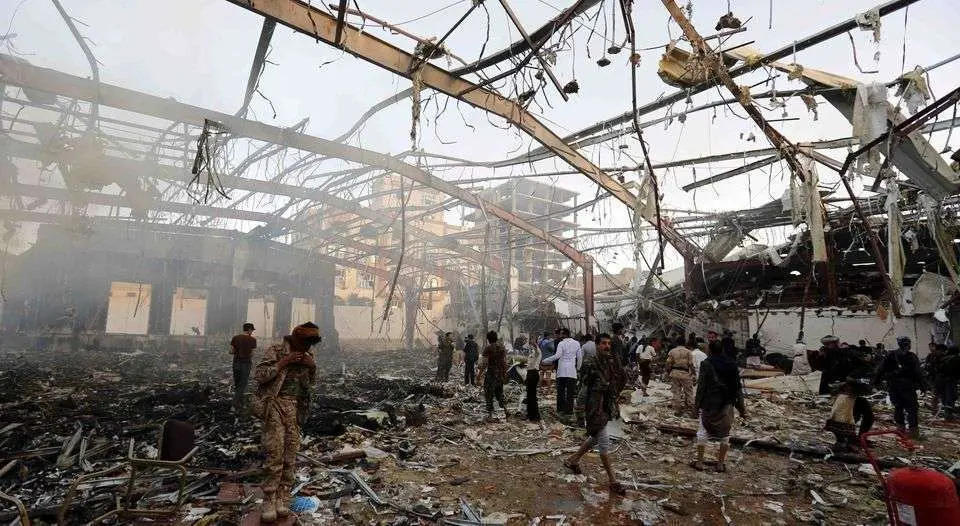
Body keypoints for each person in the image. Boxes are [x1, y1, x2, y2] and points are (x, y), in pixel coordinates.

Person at [254, 322, 320, 522]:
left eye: (311, 343)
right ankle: (269, 498)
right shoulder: (276, 350)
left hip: (295, 409)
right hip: (274, 405)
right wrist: (284, 361)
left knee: (290, 453)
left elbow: (309, 385)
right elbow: (260, 376)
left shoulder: (308, 357)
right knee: (275, 452)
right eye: (305, 342)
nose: (308, 347)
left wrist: (312, 367)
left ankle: (283, 497)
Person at [562, 334, 627, 496]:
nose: (607, 346)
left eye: (608, 344)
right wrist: (580, 412)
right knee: (604, 441)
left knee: (596, 437)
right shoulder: (590, 363)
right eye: (603, 343)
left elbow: (621, 377)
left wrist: (615, 394)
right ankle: (613, 481)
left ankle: (572, 460)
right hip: (594, 407)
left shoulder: (612, 361)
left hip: (606, 405)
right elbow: (584, 388)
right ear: (597, 345)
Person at [692, 342, 747, 472]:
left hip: (709, 403)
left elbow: (701, 387)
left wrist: (696, 406)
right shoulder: (732, 364)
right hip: (727, 403)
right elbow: (737, 388)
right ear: (722, 349)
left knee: (702, 433)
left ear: (710, 350)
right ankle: (720, 464)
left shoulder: (706, 364)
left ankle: (699, 462)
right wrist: (742, 409)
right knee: (725, 434)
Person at [874, 336, 925, 439]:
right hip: (907, 386)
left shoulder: (891, 355)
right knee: (912, 408)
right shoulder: (911, 356)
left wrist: (876, 382)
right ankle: (913, 432)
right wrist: (923, 386)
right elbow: (918, 373)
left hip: (893, 385)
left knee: (898, 407)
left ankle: (900, 430)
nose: (909, 345)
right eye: (908, 343)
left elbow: (880, 369)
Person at [542, 327, 582, 418]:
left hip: (562, 371)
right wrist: (578, 368)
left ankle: (560, 409)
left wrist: (545, 360)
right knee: (570, 392)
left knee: (561, 391)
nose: (560, 336)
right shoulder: (576, 343)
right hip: (572, 371)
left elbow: (557, 355)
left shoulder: (561, 343)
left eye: (561, 334)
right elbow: (579, 358)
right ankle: (569, 411)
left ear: (564, 334)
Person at [824, 378, 874, 451]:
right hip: (847, 397)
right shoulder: (856, 398)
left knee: (866, 416)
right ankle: (846, 441)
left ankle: (850, 440)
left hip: (854, 394)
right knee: (846, 418)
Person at [478, 330, 509, 421]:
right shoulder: (502, 348)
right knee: (499, 393)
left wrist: (479, 375)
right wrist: (504, 373)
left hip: (491, 374)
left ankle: (490, 414)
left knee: (488, 393)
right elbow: (504, 362)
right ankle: (506, 410)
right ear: (496, 338)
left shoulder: (488, 348)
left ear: (488, 339)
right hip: (499, 374)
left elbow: (484, 364)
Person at [665, 336, 695, 417]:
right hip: (685, 373)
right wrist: (693, 373)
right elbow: (691, 364)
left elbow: (668, 363)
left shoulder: (672, 351)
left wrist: (668, 371)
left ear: (676, 342)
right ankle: (691, 411)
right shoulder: (688, 352)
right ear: (684, 343)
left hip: (674, 373)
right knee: (688, 392)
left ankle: (677, 410)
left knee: (676, 392)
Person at [230, 322, 257, 411]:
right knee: (242, 384)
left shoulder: (235, 338)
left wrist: (238, 351)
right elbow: (252, 354)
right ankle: (234, 404)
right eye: (252, 330)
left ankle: (241, 403)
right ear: (249, 330)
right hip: (246, 363)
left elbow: (231, 351)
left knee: (238, 384)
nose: (252, 332)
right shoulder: (253, 340)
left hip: (236, 363)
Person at [523, 338, 542, 421]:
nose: (530, 345)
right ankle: (530, 414)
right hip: (530, 373)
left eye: (532, 344)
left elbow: (538, 352)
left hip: (533, 374)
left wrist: (535, 344)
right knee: (530, 396)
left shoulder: (537, 352)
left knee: (532, 396)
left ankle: (534, 415)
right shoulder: (532, 353)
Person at [925, 343, 948, 413]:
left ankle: (942, 408)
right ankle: (936, 409)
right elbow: (927, 366)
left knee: (940, 394)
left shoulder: (940, 356)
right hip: (935, 378)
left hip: (939, 377)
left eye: (932, 347)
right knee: (937, 394)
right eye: (930, 347)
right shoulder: (930, 356)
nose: (931, 348)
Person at [939, 346, 960, 420]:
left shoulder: (944, 358)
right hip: (951, 380)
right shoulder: (956, 359)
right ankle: (948, 415)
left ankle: (946, 412)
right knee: (951, 396)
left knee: (945, 396)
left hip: (941, 380)